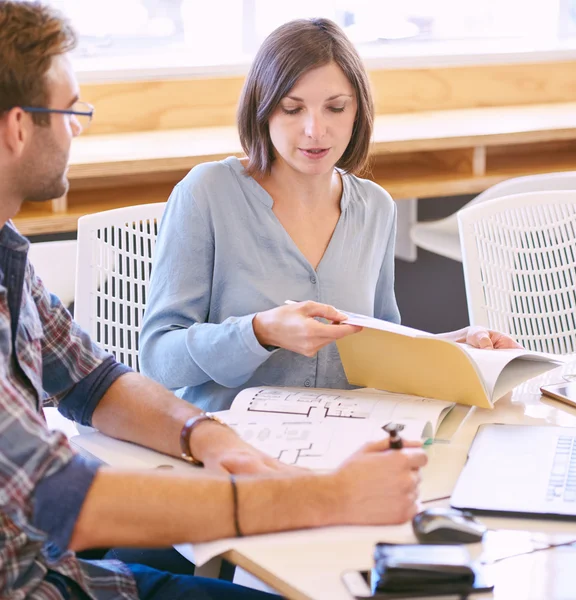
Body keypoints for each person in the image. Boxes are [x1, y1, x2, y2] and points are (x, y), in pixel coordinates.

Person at [0, 3, 429, 598]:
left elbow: (91, 382)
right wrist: (320, 496)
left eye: (335, 108)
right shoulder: (210, 193)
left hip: (49, 560)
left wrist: (204, 433)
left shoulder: (9, 256)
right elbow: (63, 496)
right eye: (71, 110)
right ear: (19, 127)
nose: (80, 126)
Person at [139, 17, 520, 412]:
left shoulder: (375, 207)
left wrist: (462, 349)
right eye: (292, 109)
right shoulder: (207, 193)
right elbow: (157, 358)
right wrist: (259, 332)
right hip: (229, 443)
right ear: (263, 110)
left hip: (346, 440)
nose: (315, 130)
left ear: (357, 112)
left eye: (335, 108)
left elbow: (383, 350)